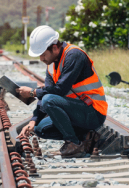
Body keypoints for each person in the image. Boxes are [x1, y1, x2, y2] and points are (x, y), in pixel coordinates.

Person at [16, 25, 107, 158]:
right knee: (39, 129)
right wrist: (33, 120)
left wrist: (32, 92)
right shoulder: (51, 66)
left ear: (54, 47)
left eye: (42, 54)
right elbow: (47, 93)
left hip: (93, 112)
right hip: (76, 112)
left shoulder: (74, 55)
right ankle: (86, 137)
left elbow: (60, 90)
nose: (41, 59)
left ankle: (74, 144)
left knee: (49, 100)